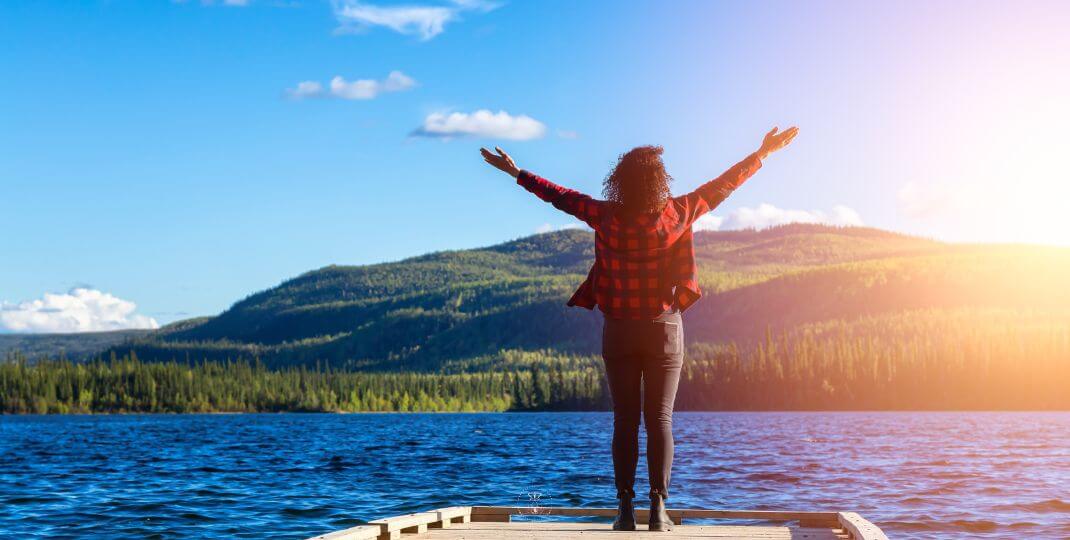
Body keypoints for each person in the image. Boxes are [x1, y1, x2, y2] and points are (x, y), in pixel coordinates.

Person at [480, 126, 799, 532]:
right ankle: (659, 510)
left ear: (621, 180)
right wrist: (762, 153)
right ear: (658, 180)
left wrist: (516, 172)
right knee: (660, 419)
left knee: (625, 420)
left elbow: (560, 197)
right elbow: (723, 187)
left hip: (619, 331)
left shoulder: (605, 216)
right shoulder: (679, 213)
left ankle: (625, 511)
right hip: (664, 330)